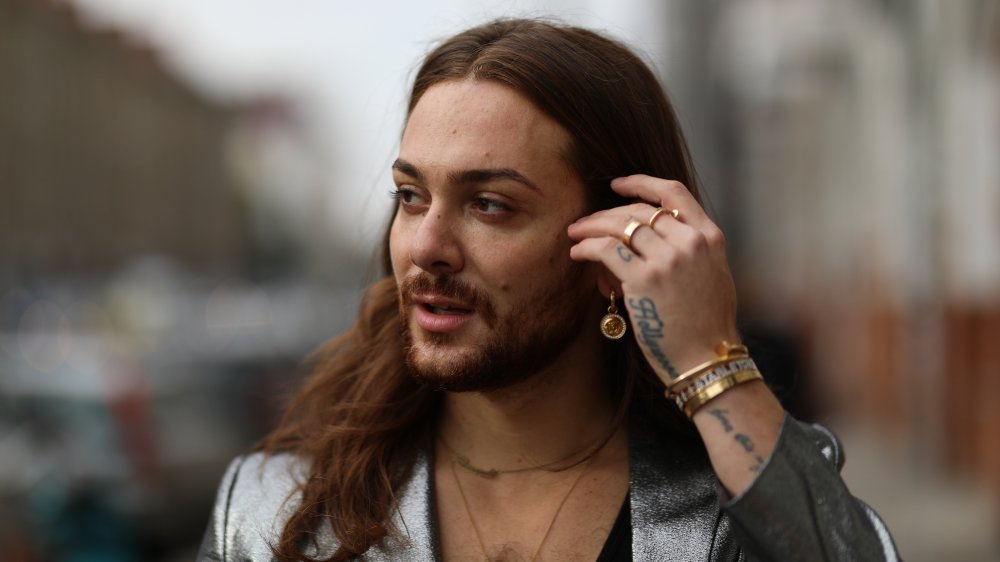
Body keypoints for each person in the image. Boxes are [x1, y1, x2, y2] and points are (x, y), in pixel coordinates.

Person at [198, 18, 899, 562]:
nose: (426, 248)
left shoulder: (732, 513)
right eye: (411, 196)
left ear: (617, 245)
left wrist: (712, 364)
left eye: (490, 205)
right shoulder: (275, 513)